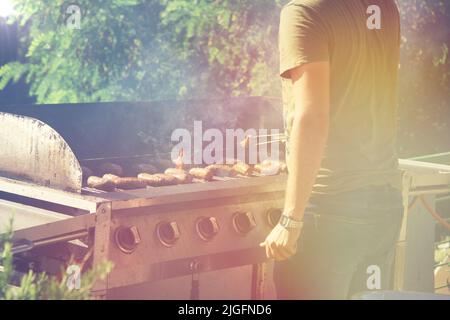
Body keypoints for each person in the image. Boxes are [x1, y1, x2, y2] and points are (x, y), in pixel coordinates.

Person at [260, 0, 404, 299]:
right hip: (384, 201)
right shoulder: (384, 6)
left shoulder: (305, 11)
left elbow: (312, 116)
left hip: (329, 210)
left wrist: (291, 219)